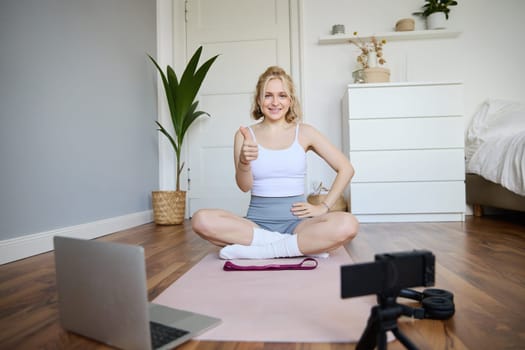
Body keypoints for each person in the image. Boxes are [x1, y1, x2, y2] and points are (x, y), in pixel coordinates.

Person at [191, 66, 358, 259]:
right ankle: (297, 247)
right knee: (200, 220)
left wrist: (323, 207)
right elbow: (244, 186)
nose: (275, 102)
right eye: (268, 95)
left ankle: (263, 250)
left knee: (348, 224)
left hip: (298, 225)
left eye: (282, 95)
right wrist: (244, 162)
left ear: (290, 100)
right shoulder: (245, 135)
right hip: (256, 225)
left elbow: (346, 168)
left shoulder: (305, 132)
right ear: (259, 100)